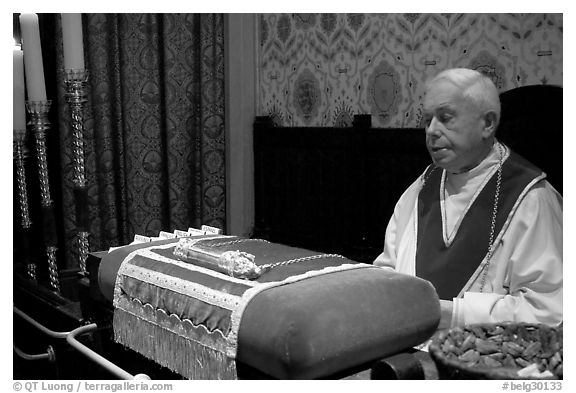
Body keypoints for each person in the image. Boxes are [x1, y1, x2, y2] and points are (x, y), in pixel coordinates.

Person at [374, 68, 562, 329]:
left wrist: (456, 315)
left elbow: (549, 310)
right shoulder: (423, 186)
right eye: (427, 120)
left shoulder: (531, 198)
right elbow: (388, 269)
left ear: (487, 123)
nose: (431, 131)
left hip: (482, 358)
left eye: (445, 118)